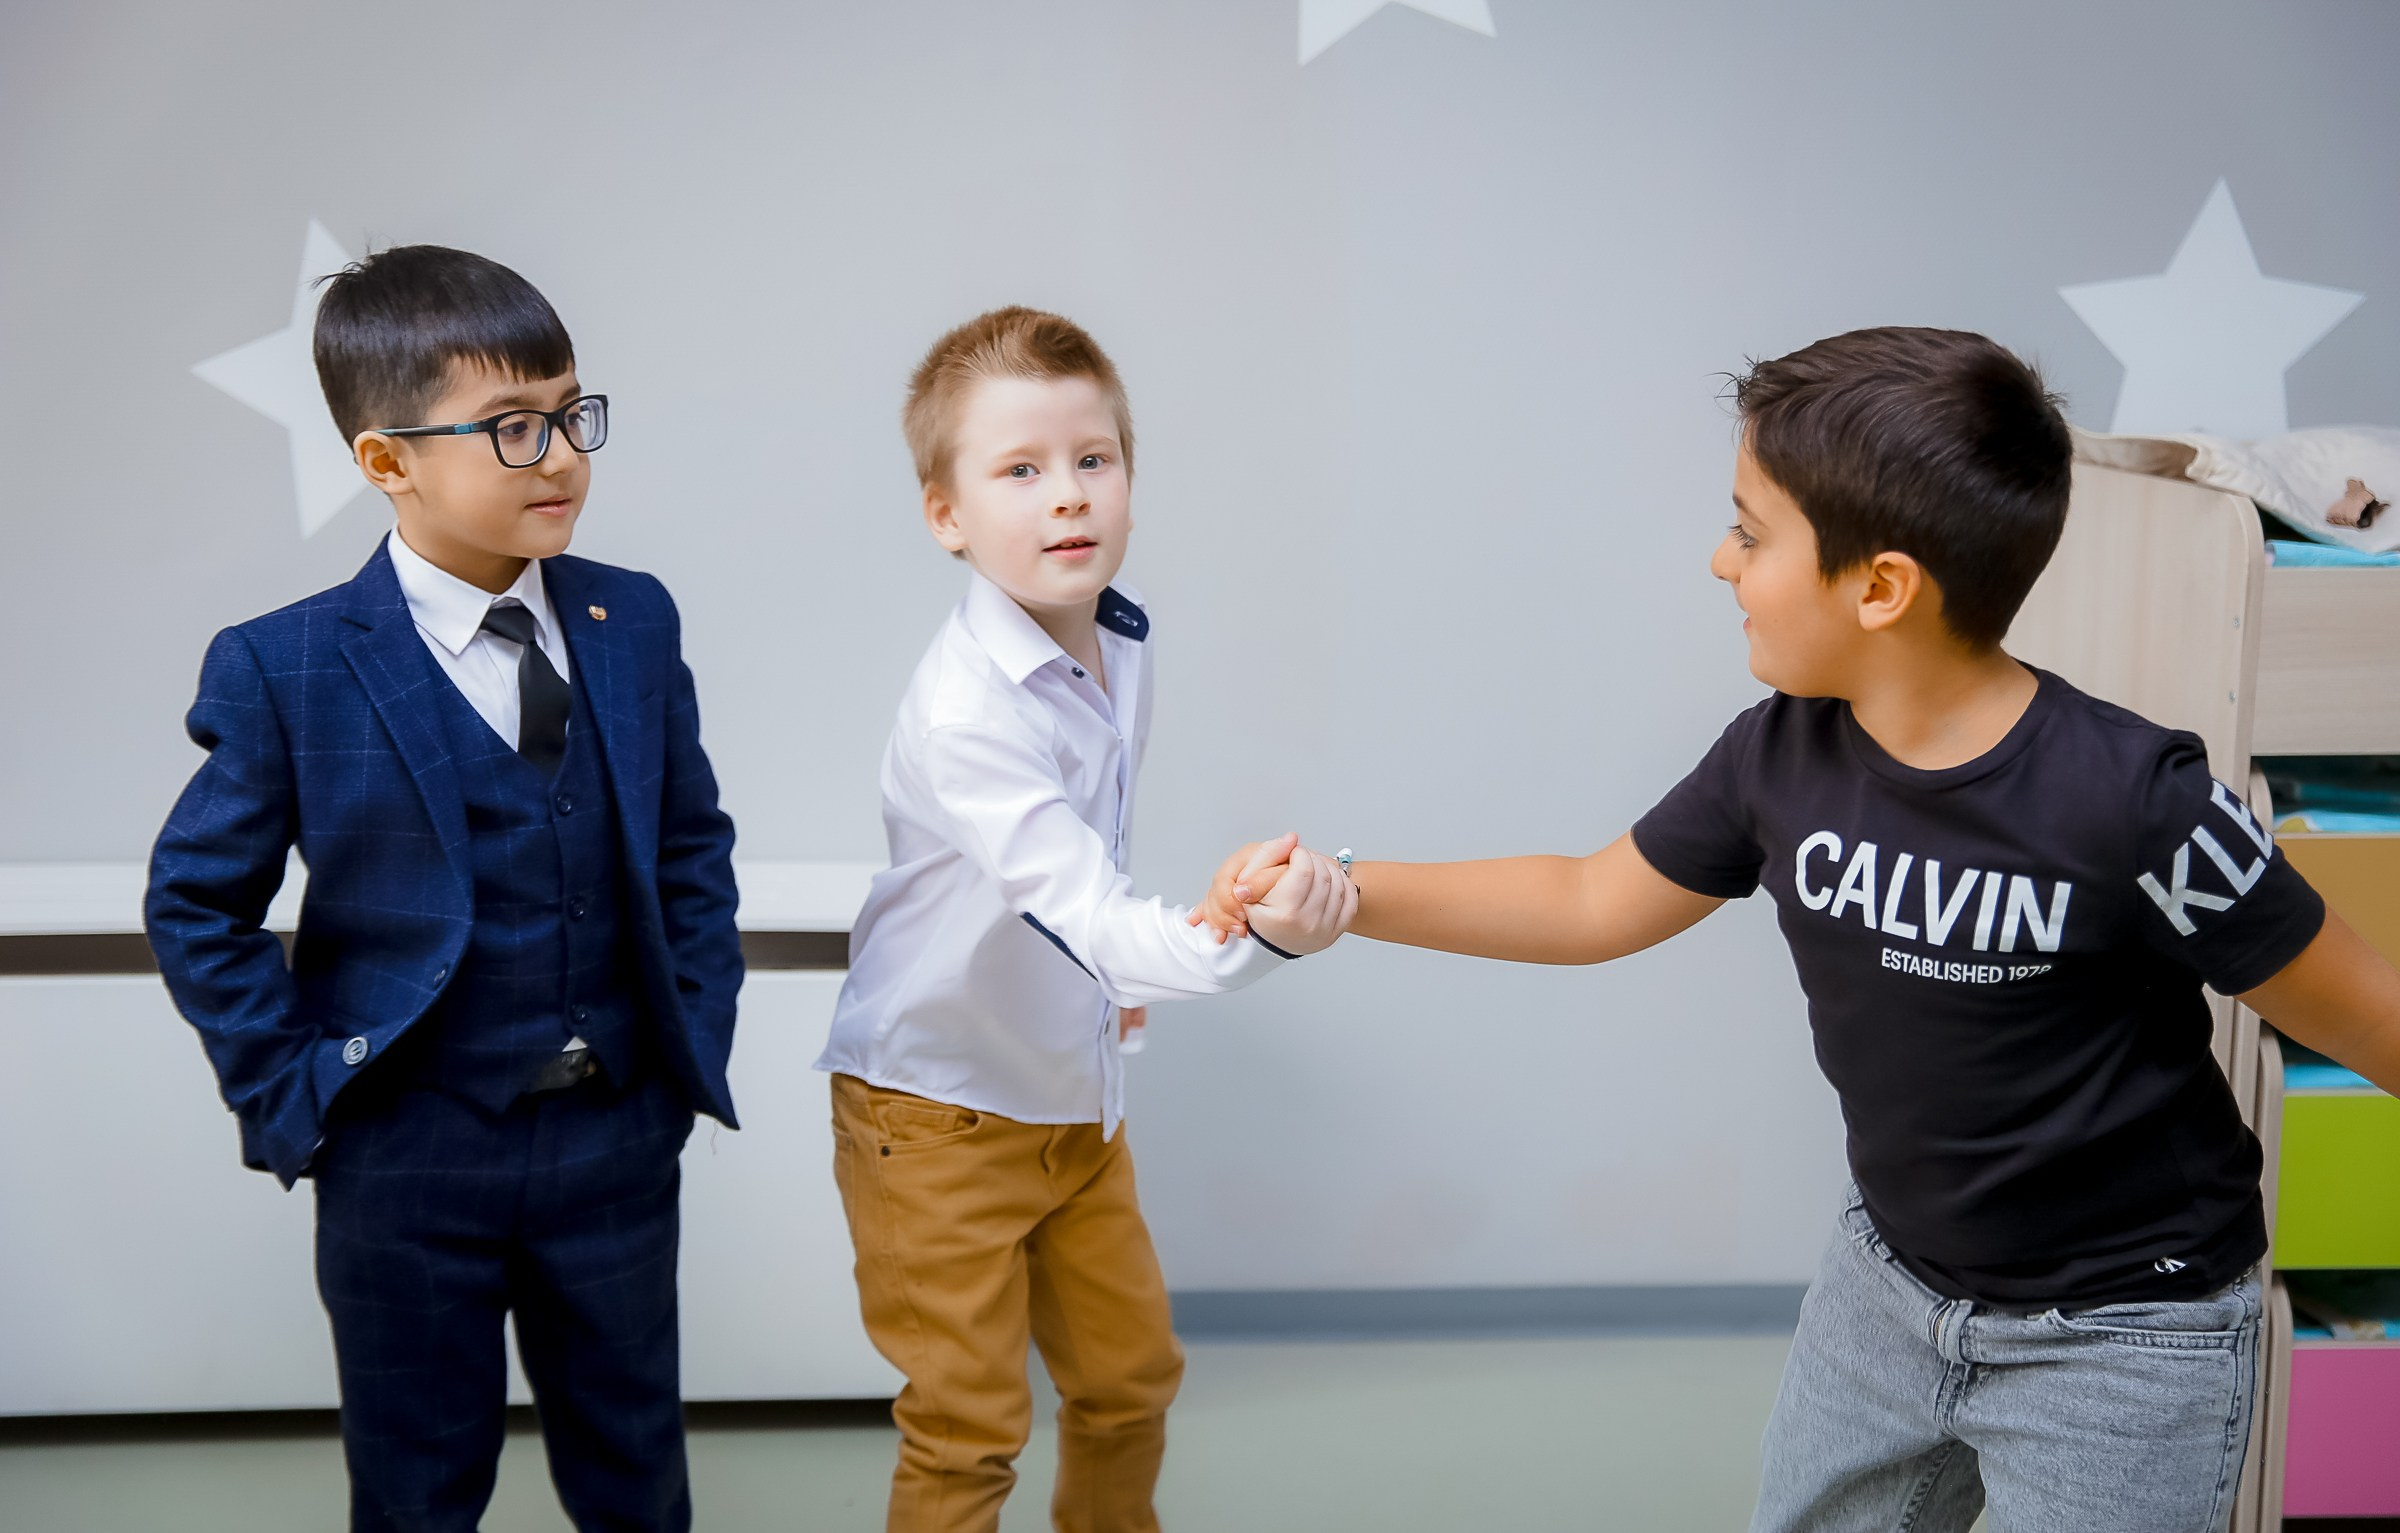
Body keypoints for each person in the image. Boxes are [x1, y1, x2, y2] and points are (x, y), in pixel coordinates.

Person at [1203, 326, 2400, 1532]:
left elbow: (2365, 1015)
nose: (1719, 560)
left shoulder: (2139, 800)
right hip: (1887, 1284)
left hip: (2123, 1333)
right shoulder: (1777, 755)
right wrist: (1341, 892)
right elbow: (1588, 899)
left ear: (1880, 588)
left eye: (1751, 531)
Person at [146, 245, 741, 1532]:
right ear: (387, 460)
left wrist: (686, 1045)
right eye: (513, 428)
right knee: (417, 1489)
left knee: (640, 1476)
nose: (561, 456)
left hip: (615, 1137)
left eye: (572, 413)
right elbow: (196, 902)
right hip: (404, 1154)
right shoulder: (288, 665)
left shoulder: (633, 622)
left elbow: (691, 848)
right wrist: (300, 1092)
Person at [816, 305, 1355, 1533]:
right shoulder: (967, 712)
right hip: (937, 1110)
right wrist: (1256, 939)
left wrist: (1189, 929)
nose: (1068, 494)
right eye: (1020, 469)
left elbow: (1086, 871)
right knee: (967, 1429)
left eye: (1092, 459)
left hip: (1072, 1096)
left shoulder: (1121, 628)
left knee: (1129, 1384)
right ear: (946, 515)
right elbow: (1087, 911)